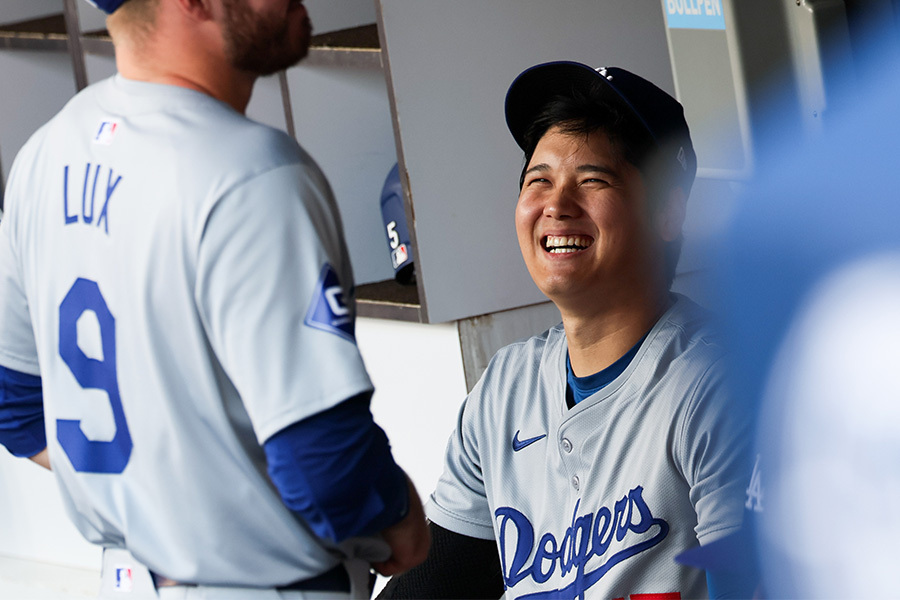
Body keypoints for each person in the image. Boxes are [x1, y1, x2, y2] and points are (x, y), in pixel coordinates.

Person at [0, 0, 429, 597]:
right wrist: (401, 524)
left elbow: (18, 412)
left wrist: (169, 498)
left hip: (125, 578)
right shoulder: (253, 172)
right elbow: (322, 461)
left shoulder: (44, 155)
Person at [378, 62, 750, 600]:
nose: (556, 205)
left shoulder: (716, 384)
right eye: (540, 180)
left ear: (668, 212)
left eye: (593, 179)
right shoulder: (506, 388)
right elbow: (433, 584)